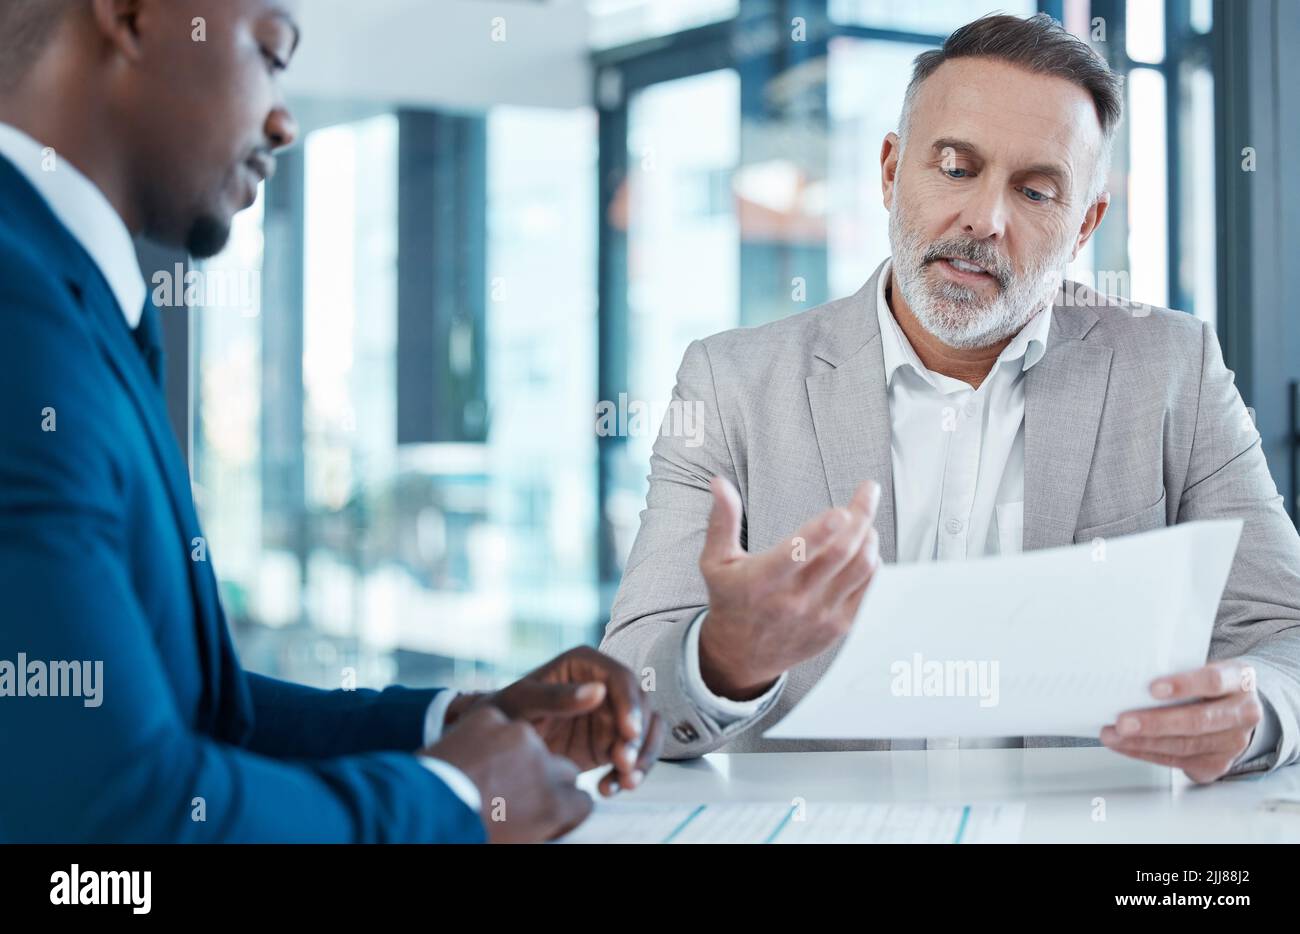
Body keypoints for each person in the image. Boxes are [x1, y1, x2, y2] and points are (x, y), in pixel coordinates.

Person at [0, 0, 661, 843]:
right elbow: (117, 813)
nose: (282, 120)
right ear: (132, 16)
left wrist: (462, 726)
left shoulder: (68, 295)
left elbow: (195, 716)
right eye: (271, 54)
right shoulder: (16, 309)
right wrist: (455, 802)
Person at [601, 13, 1300, 784]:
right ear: (891, 171)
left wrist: (1254, 710)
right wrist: (722, 657)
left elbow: (1284, 633)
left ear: (1084, 225)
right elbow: (629, 689)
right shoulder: (730, 384)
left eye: (1035, 191)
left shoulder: (1174, 369)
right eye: (956, 168)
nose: (985, 220)